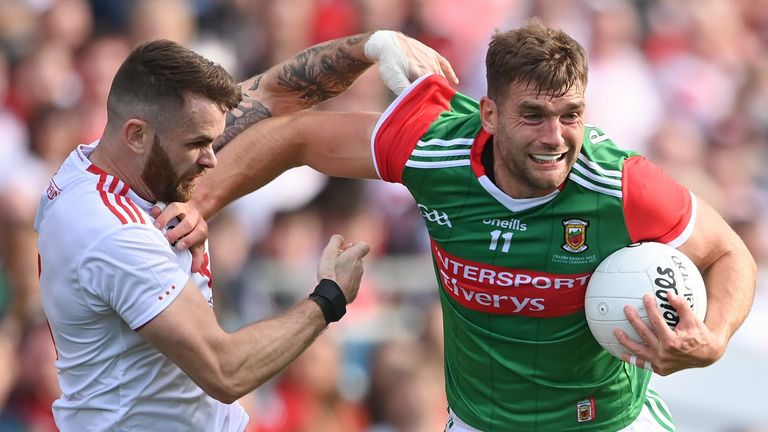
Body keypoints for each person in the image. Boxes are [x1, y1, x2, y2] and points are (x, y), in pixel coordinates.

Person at [159, 21, 757, 431]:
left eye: (570, 114)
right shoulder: (431, 147)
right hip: (480, 422)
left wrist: (713, 339)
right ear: (489, 114)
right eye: (533, 116)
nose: (555, 138)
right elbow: (296, 136)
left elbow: (730, 254)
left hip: (611, 423)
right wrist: (202, 203)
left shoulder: (622, 185)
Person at [34, 30, 455, 431]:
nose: (211, 159)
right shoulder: (113, 232)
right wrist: (329, 297)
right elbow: (226, 370)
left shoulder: (112, 162)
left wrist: (374, 45)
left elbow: (274, 93)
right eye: (197, 144)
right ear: (137, 134)